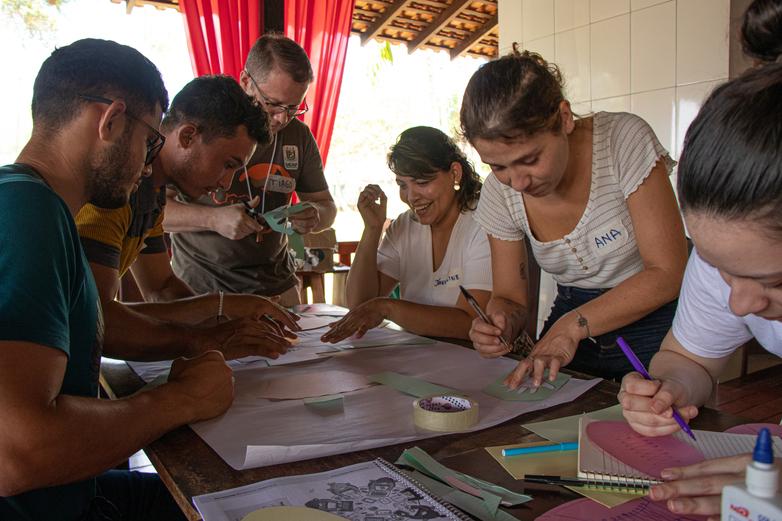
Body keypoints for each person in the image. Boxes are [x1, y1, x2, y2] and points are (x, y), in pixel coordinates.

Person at [0, 39, 233, 521]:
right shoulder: (28, 213)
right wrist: (181, 400)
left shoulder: (33, 205)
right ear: (110, 121)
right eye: (150, 142)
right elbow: (15, 453)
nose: (148, 165)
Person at [617, 49, 782, 521]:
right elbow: (690, 358)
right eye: (719, 269)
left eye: (773, 281)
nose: (739, 303)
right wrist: (671, 389)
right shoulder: (729, 253)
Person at [461, 48, 688, 386]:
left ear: (564, 118)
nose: (518, 182)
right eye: (498, 166)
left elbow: (668, 273)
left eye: (530, 159)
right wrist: (499, 322)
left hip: (659, 316)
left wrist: (571, 326)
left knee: (656, 410)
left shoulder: (621, 141)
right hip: (571, 319)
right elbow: (510, 298)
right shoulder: (500, 193)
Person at [76, 75, 298, 363]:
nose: (226, 183)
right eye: (228, 165)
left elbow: (162, 288)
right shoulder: (118, 188)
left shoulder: (153, 193)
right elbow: (93, 319)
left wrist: (229, 316)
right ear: (188, 136)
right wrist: (209, 333)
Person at [164, 33, 337, 307]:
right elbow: (154, 212)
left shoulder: (299, 136)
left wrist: (314, 215)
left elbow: (326, 206)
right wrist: (212, 219)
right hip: (202, 290)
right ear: (246, 81)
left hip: (278, 289)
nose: (282, 118)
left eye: (294, 108)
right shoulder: (211, 123)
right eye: (273, 104)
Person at [321, 126, 491, 342]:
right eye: (402, 185)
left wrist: (386, 308)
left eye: (422, 183)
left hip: (474, 358)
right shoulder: (405, 225)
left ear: (455, 173)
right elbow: (360, 305)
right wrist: (372, 230)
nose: (411, 197)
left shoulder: (484, 222)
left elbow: (470, 323)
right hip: (423, 355)